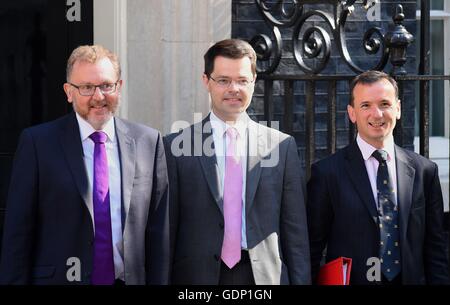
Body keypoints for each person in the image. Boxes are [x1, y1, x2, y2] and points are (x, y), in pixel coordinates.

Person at [0, 45, 169, 285]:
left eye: (106, 86)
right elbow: (18, 235)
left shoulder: (148, 142)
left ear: (119, 87)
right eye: (87, 88)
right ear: (69, 92)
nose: (98, 96)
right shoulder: (37, 144)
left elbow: (158, 234)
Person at [164, 39, 310, 285]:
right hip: (198, 278)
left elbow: (295, 233)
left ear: (254, 82)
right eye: (223, 80)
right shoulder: (175, 146)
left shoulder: (281, 147)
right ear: (206, 81)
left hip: (262, 277)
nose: (234, 88)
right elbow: (167, 231)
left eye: (242, 80)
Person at [307, 70, 449, 285]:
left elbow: (435, 247)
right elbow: (312, 249)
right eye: (366, 105)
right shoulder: (327, 173)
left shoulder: (424, 171)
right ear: (352, 113)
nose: (377, 114)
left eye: (384, 104)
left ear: (398, 108)